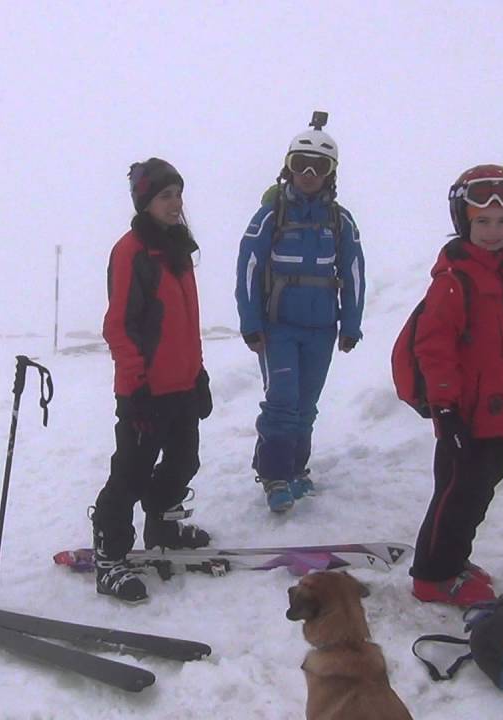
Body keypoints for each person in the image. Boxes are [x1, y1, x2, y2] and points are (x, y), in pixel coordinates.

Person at [407, 165, 503, 606]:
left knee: (478, 493)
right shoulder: (454, 282)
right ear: (464, 221)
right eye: (482, 221)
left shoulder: (500, 277)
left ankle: (453, 558)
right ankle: (433, 575)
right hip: (464, 417)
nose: (493, 231)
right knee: (456, 495)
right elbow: (434, 349)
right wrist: (445, 409)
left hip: (497, 415)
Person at [93, 158, 213, 603]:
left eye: (178, 194)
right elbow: (118, 326)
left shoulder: (177, 249)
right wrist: (136, 387)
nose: (175, 203)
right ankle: (109, 556)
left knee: (184, 462)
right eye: (165, 196)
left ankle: (162, 527)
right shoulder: (131, 252)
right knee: (130, 474)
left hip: (181, 386)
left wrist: (198, 373)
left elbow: (186, 323)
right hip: (145, 391)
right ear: (144, 201)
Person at [235, 114, 365, 513]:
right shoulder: (270, 216)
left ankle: (295, 469)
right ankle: (274, 474)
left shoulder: (339, 221)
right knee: (282, 399)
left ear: (331, 173)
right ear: (288, 167)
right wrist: (250, 323)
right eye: (301, 164)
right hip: (278, 326)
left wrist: (351, 323)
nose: (309, 174)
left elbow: (353, 271)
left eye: (319, 166)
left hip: (321, 328)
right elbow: (249, 268)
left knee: (306, 403)